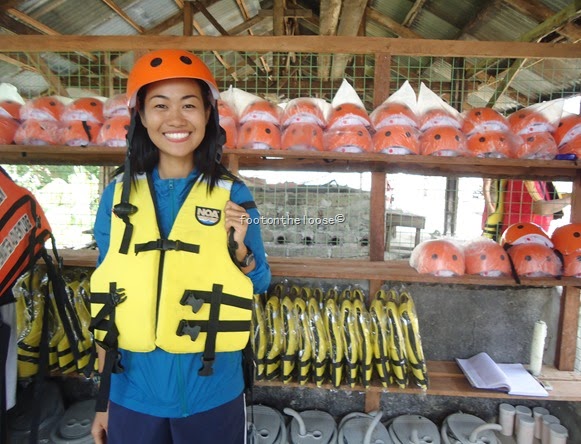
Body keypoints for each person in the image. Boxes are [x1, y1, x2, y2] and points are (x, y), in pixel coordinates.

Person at [89, 49, 271, 444]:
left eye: (189, 105)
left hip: (213, 392)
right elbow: (108, 297)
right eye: (160, 105)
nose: (175, 119)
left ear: (208, 115)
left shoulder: (234, 195)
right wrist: (103, 403)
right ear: (140, 116)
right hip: (131, 393)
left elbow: (259, 281)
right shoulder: (116, 196)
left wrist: (239, 251)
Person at [482, 178, 571, 241]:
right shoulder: (525, 179)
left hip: (530, 238)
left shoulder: (539, 180)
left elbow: (546, 199)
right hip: (521, 240)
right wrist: (571, 199)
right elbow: (541, 209)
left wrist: (569, 197)